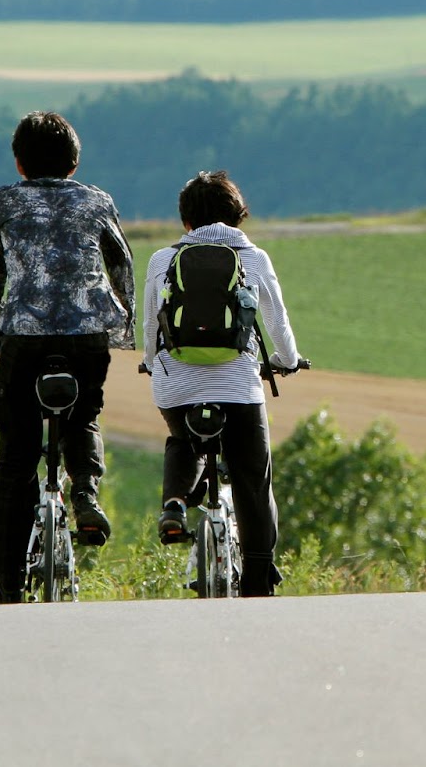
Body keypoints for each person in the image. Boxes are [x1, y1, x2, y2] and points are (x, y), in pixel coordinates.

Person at [0, 111, 134, 604]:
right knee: (84, 413)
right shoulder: (98, 201)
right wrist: (123, 326)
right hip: (86, 335)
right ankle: (85, 490)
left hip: (23, 337)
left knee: (16, 458)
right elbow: (121, 266)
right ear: (74, 163)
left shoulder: (0, 201)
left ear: (19, 163)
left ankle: (9, 578)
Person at [142, 170, 302, 597]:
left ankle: (176, 502)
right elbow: (276, 321)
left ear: (186, 222)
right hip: (238, 389)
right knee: (253, 475)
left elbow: (149, 328)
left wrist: (150, 365)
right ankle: (258, 577)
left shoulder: (163, 260)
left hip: (177, 388)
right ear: (237, 217)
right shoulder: (254, 258)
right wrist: (287, 361)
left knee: (183, 439)